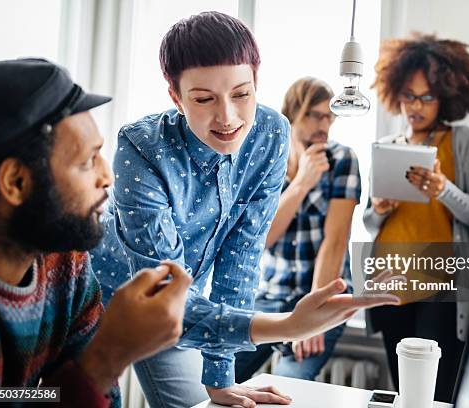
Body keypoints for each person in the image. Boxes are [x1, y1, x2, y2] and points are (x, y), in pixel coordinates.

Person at [89, 12, 398, 408]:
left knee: (202, 406)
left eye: (241, 94)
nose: (228, 118)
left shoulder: (270, 134)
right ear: (175, 96)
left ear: (256, 83)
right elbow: (161, 291)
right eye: (203, 99)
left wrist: (220, 375)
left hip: (181, 310)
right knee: (77, 400)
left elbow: (242, 256)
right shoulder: (142, 147)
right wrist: (288, 325)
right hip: (100, 300)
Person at [0, 57, 194, 408]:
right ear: (17, 182)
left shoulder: (64, 263)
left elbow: (28, 398)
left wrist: (77, 379)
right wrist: (105, 358)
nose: (108, 177)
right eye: (87, 161)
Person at [363, 33, 469, 402]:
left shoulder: (462, 141)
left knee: (434, 393)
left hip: (441, 286)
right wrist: (379, 209)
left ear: (446, 96)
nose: (415, 106)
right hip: (389, 285)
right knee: (406, 394)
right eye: (408, 96)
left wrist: (443, 189)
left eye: (426, 96)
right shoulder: (388, 146)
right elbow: (370, 223)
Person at [235, 77, 361, 382]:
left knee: (288, 384)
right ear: (290, 116)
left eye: (328, 116)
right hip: (269, 297)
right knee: (217, 378)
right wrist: (302, 183)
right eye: (313, 115)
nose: (324, 124)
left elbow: (335, 241)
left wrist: (318, 312)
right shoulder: (265, 164)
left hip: (321, 295)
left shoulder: (342, 160)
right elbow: (261, 240)